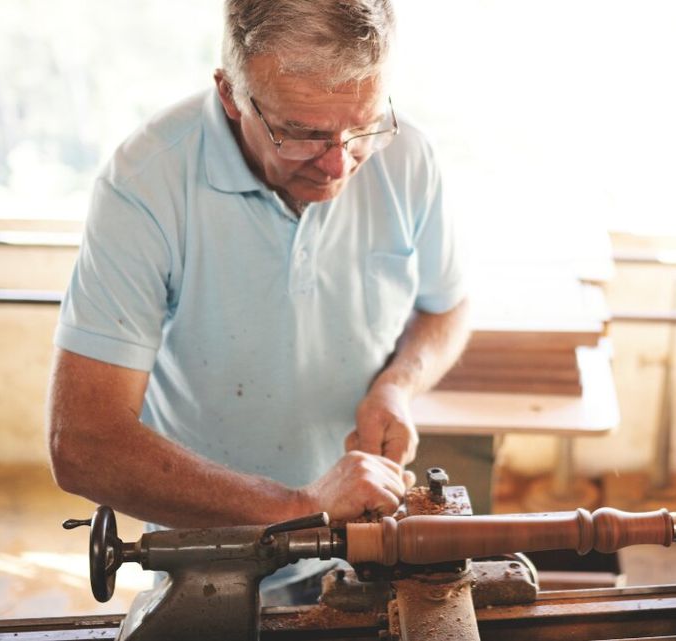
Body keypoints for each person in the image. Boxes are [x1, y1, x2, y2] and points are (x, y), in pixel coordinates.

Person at [45, 0, 469, 600]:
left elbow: (447, 305)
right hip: (211, 552)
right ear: (229, 95)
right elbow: (82, 442)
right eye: (302, 133)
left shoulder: (408, 156)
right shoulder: (147, 181)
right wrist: (299, 507)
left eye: (362, 128)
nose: (337, 165)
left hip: (363, 543)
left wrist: (399, 381)